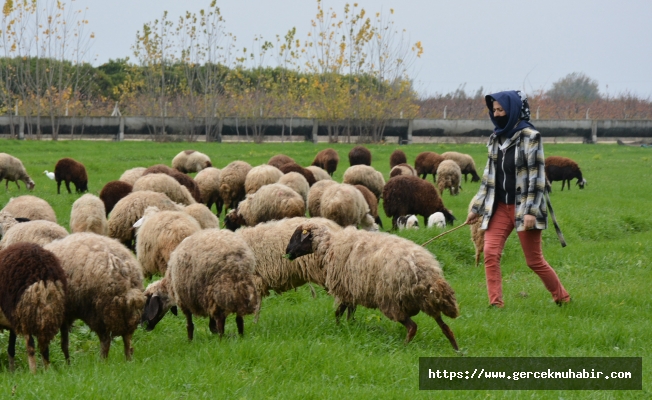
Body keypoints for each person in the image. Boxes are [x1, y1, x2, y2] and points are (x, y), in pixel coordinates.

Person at [465, 90, 570, 308]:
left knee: (534, 261)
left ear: (512, 110)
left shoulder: (531, 137)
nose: (497, 114)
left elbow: (537, 176)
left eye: (501, 109)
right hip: (500, 207)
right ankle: (496, 303)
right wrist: (476, 207)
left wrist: (531, 210)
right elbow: (488, 177)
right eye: (494, 110)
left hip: (524, 208)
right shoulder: (495, 139)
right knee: (490, 253)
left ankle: (562, 297)